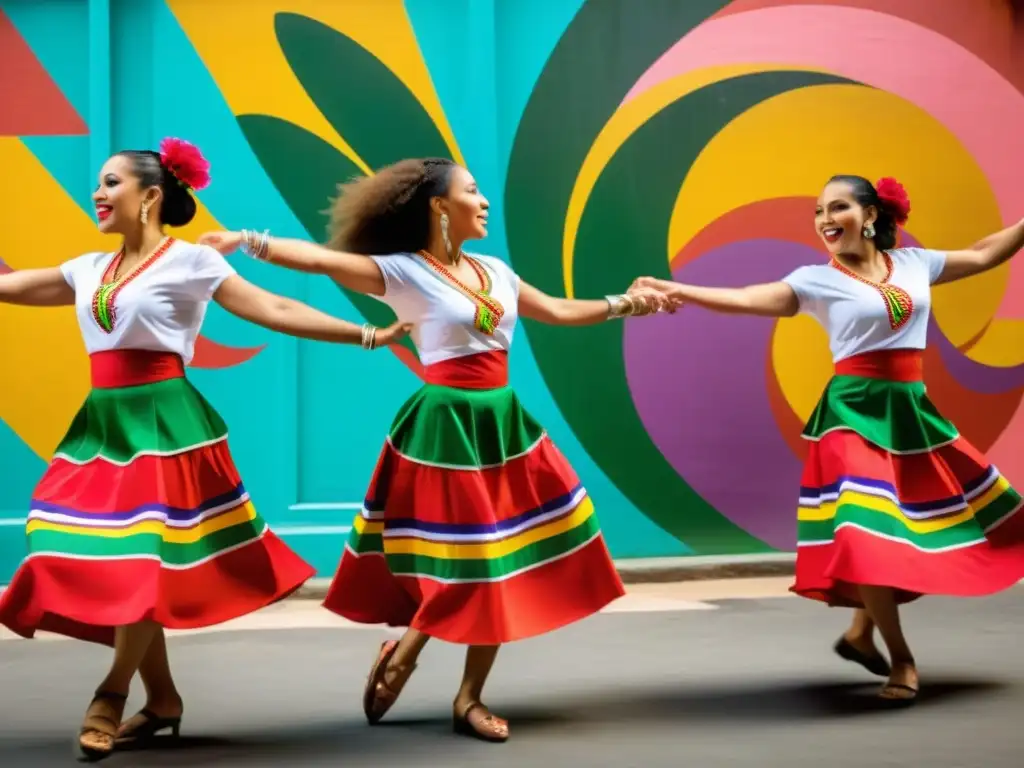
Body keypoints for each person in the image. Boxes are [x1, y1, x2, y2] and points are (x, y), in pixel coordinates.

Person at [199, 156, 673, 742]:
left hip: (503, 430)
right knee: (469, 556)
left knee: (501, 558)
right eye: (472, 191)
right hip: (444, 432)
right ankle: (407, 653)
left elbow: (558, 311)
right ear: (438, 207)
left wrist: (629, 303)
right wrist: (245, 240)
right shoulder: (401, 273)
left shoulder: (495, 270)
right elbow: (321, 261)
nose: (484, 201)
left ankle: (466, 696)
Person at [0, 137, 411, 761]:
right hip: (103, 429)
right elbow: (14, 286)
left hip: (167, 428)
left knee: (140, 559)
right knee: (73, 545)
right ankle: (162, 699)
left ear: (151, 195)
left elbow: (273, 306)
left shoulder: (190, 262)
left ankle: (111, 692)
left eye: (111, 182)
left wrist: (365, 334)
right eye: (98, 184)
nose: (98, 193)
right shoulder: (88, 269)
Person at [631, 175, 1024, 705]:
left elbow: (981, 255)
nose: (824, 219)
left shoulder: (913, 264)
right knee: (864, 529)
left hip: (908, 411)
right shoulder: (816, 280)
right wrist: (680, 289)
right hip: (849, 414)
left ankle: (861, 632)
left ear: (869, 215)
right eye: (818, 211)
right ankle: (902, 658)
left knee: (905, 527)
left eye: (837, 207)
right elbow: (749, 297)